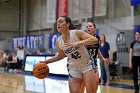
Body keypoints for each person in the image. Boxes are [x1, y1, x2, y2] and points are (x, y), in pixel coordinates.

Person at [40, 16, 98, 93]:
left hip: (87, 64)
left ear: (67, 24)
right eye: (57, 22)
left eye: (61, 21)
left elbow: (95, 40)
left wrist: (78, 42)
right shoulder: (59, 41)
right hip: (73, 67)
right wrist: (46, 62)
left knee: (91, 91)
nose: (58, 24)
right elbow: (61, 55)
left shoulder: (77, 33)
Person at [81, 21, 109, 92]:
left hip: (94, 62)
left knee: (96, 82)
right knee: (84, 85)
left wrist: (103, 58)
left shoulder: (97, 38)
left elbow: (97, 50)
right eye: (87, 27)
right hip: (84, 63)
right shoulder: (83, 37)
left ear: (95, 29)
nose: (88, 28)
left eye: (90, 26)